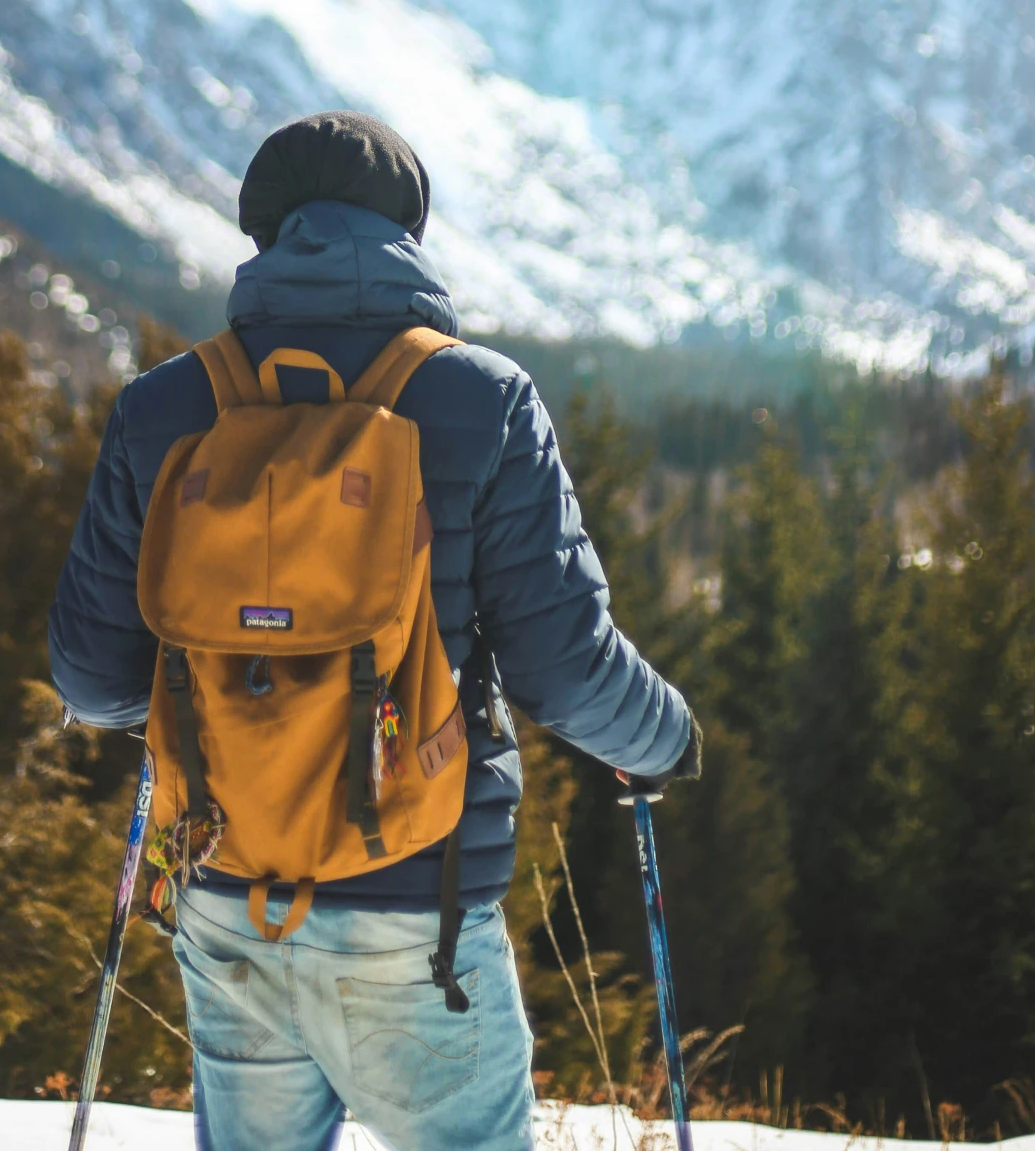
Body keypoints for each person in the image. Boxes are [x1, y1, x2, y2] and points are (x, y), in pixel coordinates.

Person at [50, 110, 698, 1151]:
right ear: (408, 232)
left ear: (260, 231)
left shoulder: (163, 408)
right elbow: (563, 667)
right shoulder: (481, 399)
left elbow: (93, 680)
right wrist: (661, 739)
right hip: (414, 899)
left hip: (226, 882)